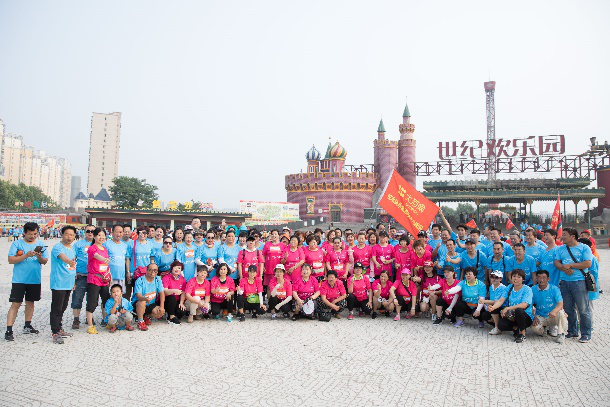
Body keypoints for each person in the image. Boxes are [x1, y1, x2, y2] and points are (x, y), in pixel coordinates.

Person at [5, 222, 49, 341]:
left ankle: (27, 325)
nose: (32, 236)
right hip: (19, 280)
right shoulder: (17, 244)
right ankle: (9, 330)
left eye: (35, 234)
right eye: (30, 234)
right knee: (15, 304)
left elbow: (45, 261)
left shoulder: (41, 244)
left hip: (34, 280)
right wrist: (26, 255)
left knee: (30, 302)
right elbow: (11, 260)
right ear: (24, 233)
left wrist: (39, 256)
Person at [553, 227, 594, 343]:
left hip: (579, 282)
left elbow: (588, 263)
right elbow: (556, 262)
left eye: (564, 235)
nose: (562, 237)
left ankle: (586, 333)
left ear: (572, 236)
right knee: (568, 308)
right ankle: (572, 331)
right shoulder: (561, 249)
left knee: (583, 309)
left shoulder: (584, 248)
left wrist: (570, 265)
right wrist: (563, 268)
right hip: (564, 282)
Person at [489, 269, 534, 343]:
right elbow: (501, 300)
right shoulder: (509, 287)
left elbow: (524, 305)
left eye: (519, 277)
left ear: (523, 279)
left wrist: (508, 308)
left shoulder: (527, 289)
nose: (516, 278)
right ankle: (515, 328)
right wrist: (493, 307)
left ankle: (522, 334)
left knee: (519, 310)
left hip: (525, 316)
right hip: (512, 315)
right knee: (501, 325)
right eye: (514, 276)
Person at [49, 226, 77, 344]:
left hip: (68, 283)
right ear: (62, 234)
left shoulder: (72, 248)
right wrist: (69, 261)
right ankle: (55, 332)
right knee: (56, 308)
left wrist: (74, 281)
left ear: (74, 236)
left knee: (63, 307)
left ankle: (59, 328)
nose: (69, 237)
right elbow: (63, 257)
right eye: (67, 234)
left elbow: (73, 265)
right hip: (58, 282)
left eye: (71, 235)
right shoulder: (58, 247)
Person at [85, 227, 112, 334]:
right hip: (94, 279)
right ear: (95, 236)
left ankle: (106, 320)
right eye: (99, 235)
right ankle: (90, 325)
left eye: (103, 235)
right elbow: (96, 256)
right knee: (92, 302)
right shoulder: (92, 248)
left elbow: (106, 266)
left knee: (106, 301)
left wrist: (109, 276)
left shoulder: (105, 249)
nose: (101, 237)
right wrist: (104, 259)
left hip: (104, 280)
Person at [531, 270, 567, 344]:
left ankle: (561, 334)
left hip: (552, 315)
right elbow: (530, 305)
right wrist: (534, 316)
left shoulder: (554, 289)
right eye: (539, 277)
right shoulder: (533, 289)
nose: (541, 280)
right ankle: (543, 330)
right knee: (534, 327)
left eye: (544, 277)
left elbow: (560, 303)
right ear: (536, 279)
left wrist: (554, 311)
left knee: (561, 313)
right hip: (540, 315)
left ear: (548, 279)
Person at [70, 225, 94, 330]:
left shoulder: (98, 244)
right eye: (88, 231)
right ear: (84, 232)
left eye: (92, 231)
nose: (90, 233)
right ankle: (76, 319)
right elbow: (72, 258)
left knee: (92, 298)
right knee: (77, 298)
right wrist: (73, 272)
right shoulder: (78, 244)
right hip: (81, 275)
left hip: (93, 276)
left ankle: (89, 317)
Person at [131, 263, 165, 331]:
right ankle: (140, 321)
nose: (153, 272)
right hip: (138, 304)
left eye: (155, 270)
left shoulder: (158, 279)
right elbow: (138, 295)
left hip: (150, 304)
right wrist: (145, 299)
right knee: (142, 302)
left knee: (160, 312)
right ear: (146, 270)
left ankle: (146, 317)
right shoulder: (140, 280)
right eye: (150, 270)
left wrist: (162, 307)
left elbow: (162, 293)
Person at [103, 224, 131, 298]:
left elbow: (127, 259)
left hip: (121, 276)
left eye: (120, 232)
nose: (119, 234)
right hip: (110, 277)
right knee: (108, 297)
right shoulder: (106, 244)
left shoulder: (125, 245)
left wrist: (128, 271)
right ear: (112, 233)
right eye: (116, 232)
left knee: (119, 297)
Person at [477, 269, 507, 334]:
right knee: (484, 315)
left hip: (502, 307)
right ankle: (497, 324)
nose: (494, 279)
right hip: (494, 306)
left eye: (496, 277)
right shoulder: (491, 287)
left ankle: (497, 327)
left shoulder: (503, 288)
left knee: (493, 308)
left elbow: (496, 301)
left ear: (500, 279)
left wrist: (484, 301)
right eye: (492, 277)